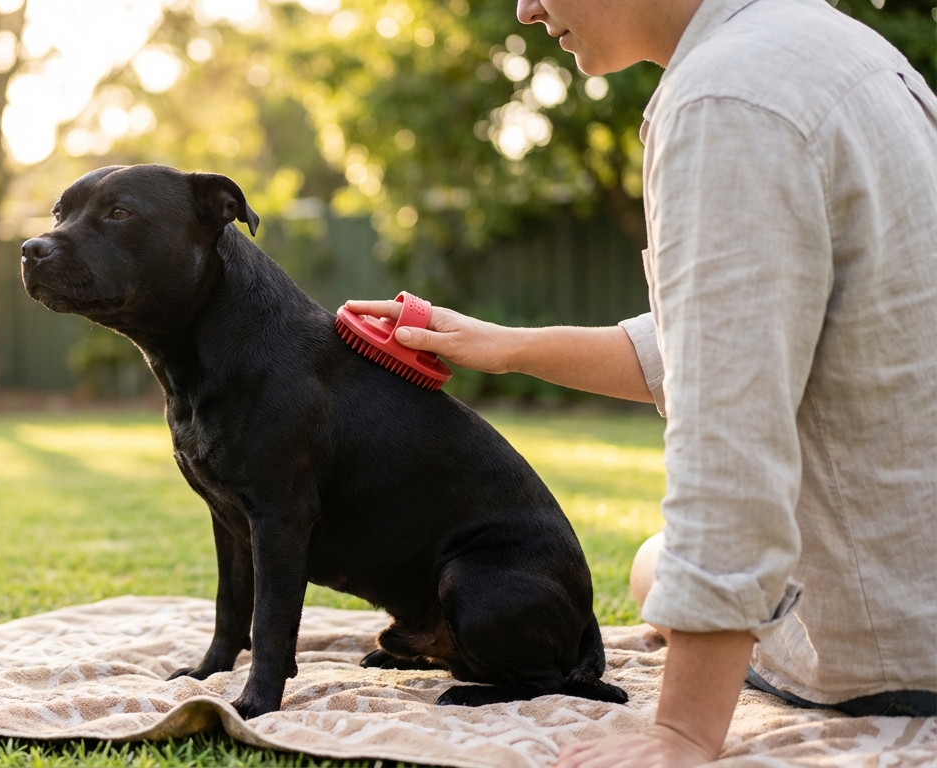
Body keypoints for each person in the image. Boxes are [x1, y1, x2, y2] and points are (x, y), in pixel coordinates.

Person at [346, 0, 937, 763]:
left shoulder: (725, 97)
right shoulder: (826, 45)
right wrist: (509, 346)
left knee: (662, 571)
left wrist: (681, 731)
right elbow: (735, 334)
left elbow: (731, 434)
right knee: (653, 563)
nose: (525, 9)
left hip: (896, 639)